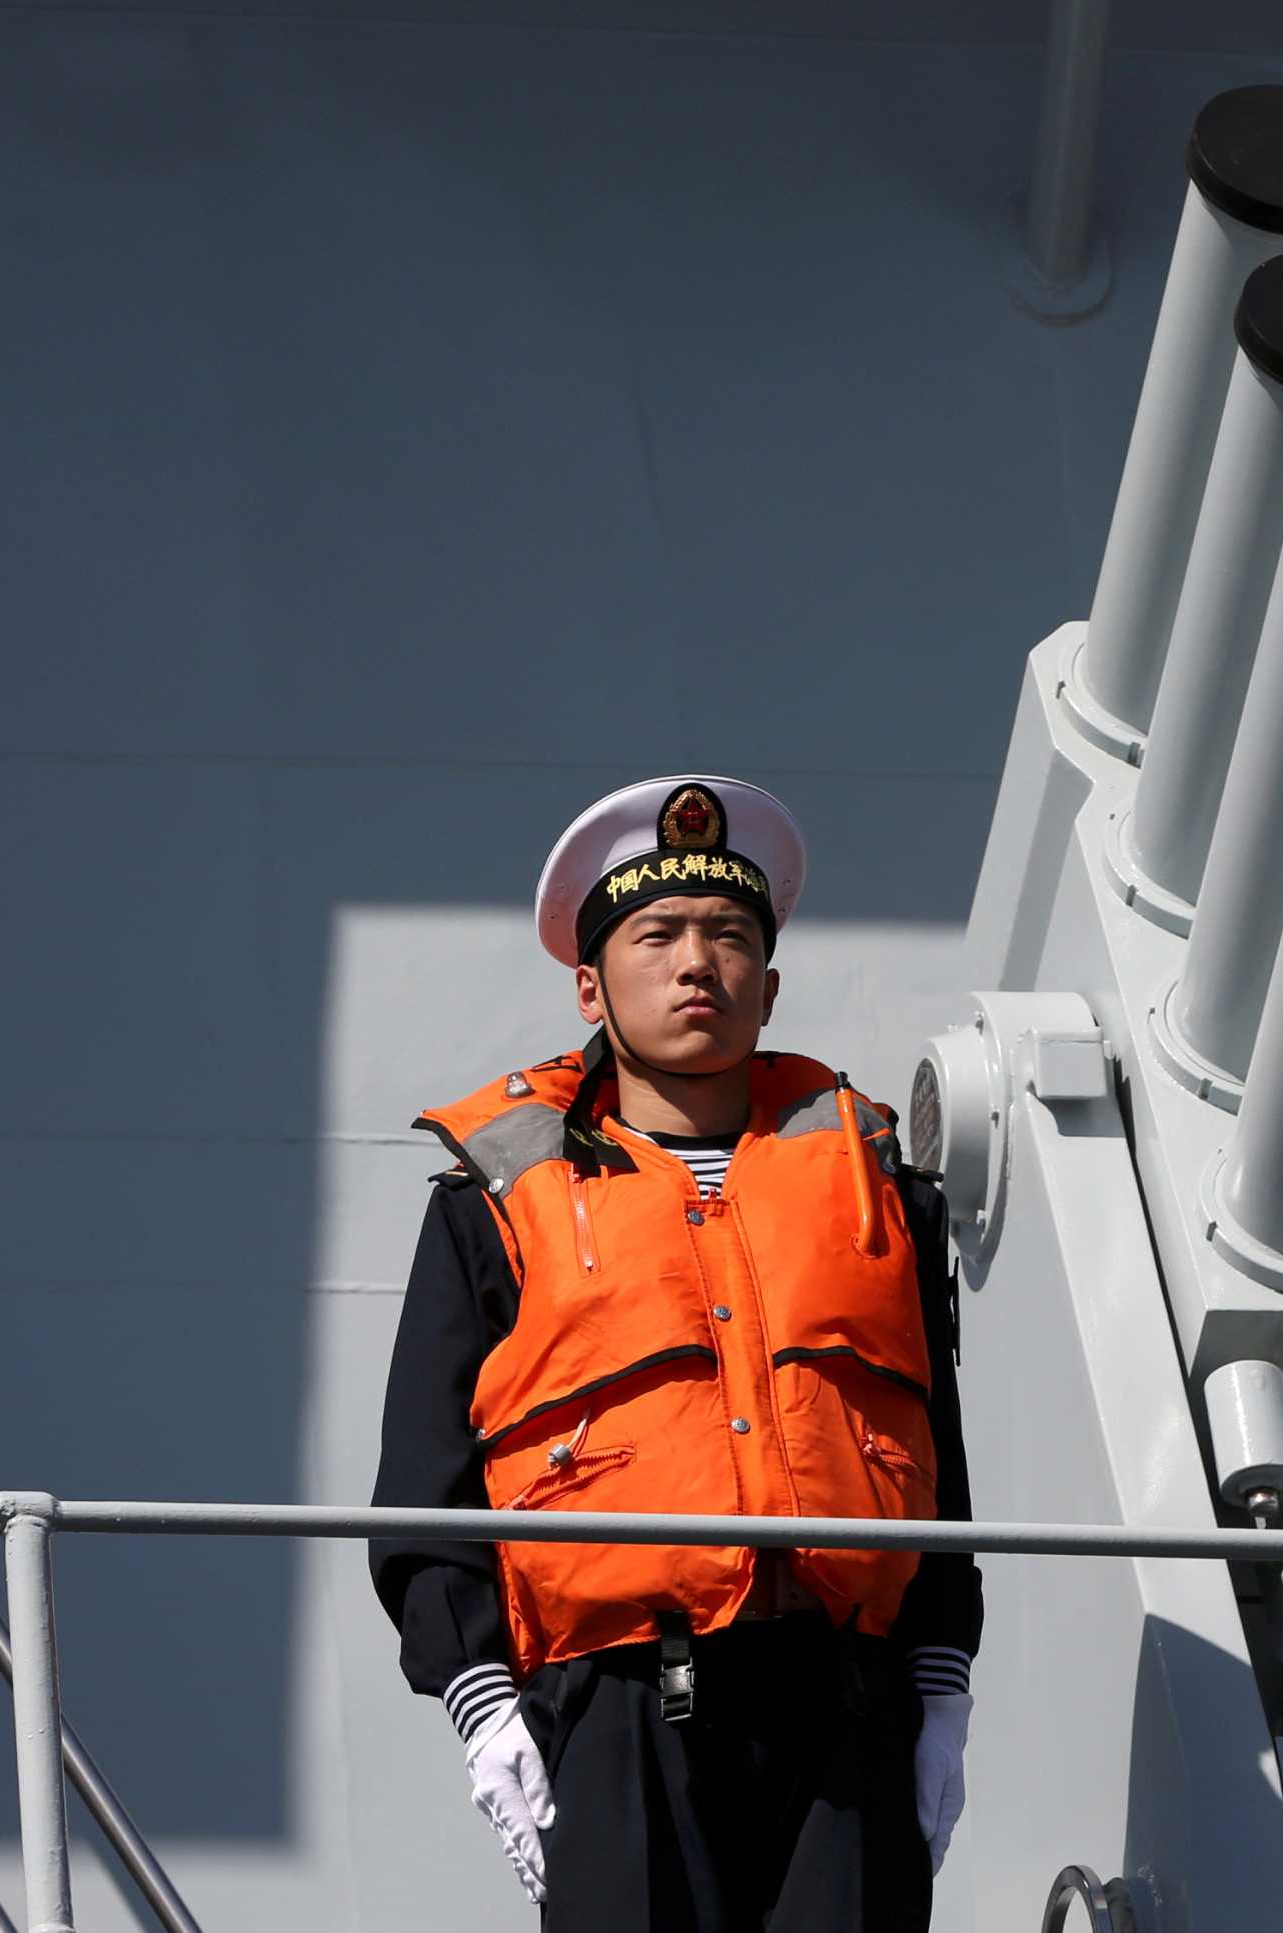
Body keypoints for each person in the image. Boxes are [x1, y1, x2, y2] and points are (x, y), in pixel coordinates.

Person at [369, 775, 979, 1930]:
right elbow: (425, 1493)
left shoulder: (880, 1191)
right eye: (659, 934)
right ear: (593, 986)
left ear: (771, 982)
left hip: (848, 1704)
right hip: (614, 1707)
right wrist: (482, 1701)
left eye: (730, 936)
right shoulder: (493, 1203)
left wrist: (941, 1686)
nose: (698, 962)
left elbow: (932, 1457)